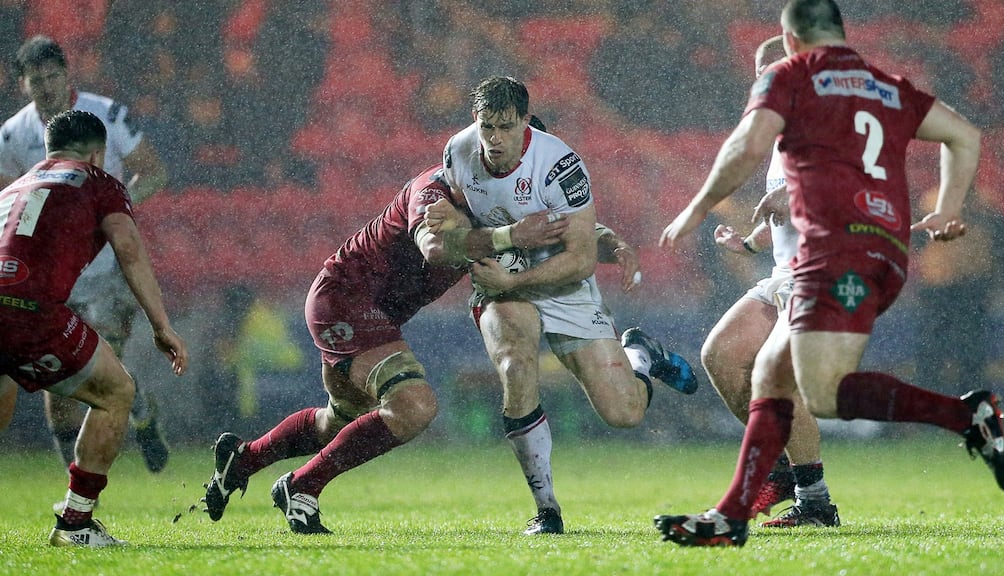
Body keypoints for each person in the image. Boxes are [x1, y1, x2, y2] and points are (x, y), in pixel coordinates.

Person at [656, 0, 1004, 548]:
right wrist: (946, 207)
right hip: (858, 253)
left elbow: (747, 146)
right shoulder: (880, 85)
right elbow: (964, 135)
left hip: (836, 254)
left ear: (792, 42)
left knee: (796, 384)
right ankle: (758, 503)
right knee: (737, 359)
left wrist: (699, 207)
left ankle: (765, 506)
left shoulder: (794, 81)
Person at [200, 155, 643, 534]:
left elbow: (566, 231)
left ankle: (243, 460)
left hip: (376, 314)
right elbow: (435, 248)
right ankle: (302, 486)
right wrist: (510, 238)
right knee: (415, 405)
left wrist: (613, 244)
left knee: (340, 421)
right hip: (346, 298)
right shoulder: (436, 187)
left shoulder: (507, 200)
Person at [426, 76, 697, 535]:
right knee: (515, 364)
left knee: (625, 413)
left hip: (561, 282)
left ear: (526, 124)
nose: (493, 138)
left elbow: (580, 258)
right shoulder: (459, 150)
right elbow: (454, 207)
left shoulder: (561, 164)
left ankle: (641, 357)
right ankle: (546, 510)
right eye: (486, 125)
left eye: (505, 127)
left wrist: (529, 271)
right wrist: (446, 219)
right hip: (503, 286)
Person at [0, 110, 188, 547]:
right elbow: (128, 247)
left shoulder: (13, 188)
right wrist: (161, 326)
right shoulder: (98, 181)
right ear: (98, 153)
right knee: (116, 393)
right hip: (30, 309)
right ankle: (76, 524)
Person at [0, 35, 171, 474]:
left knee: (101, 374)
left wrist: (110, 213)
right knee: (65, 393)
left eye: (53, 76)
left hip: (103, 269)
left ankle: (135, 416)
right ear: (23, 85)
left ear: (67, 75)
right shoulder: (12, 133)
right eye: (36, 80)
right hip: (49, 277)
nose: (46, 87)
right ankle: (75, 485)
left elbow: (154, 171)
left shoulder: (106, 114)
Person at [701, 35, 838, 527]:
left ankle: (816, 502)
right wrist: (751, 243)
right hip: (785, 273)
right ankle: (783, 471)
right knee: (720, 355)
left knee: (774, 373)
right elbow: (782, 209)